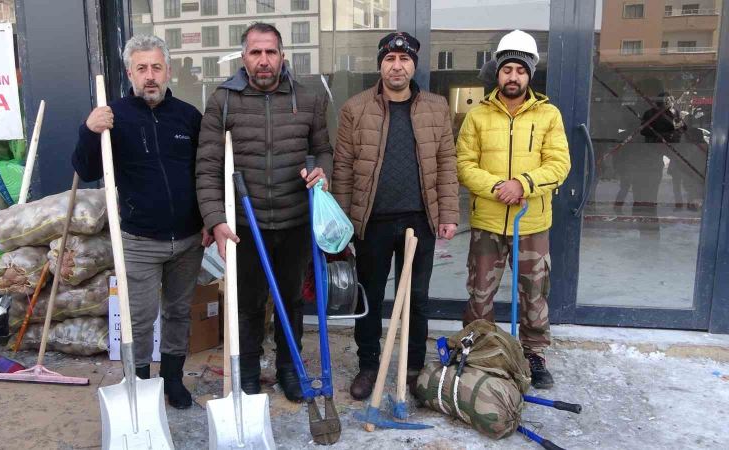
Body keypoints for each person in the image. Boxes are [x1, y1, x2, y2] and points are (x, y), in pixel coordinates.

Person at [195, 22, 332, 402]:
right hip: (244, 224)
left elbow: (324, 151)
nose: (264, 60)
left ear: (282, 56)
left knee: (291, 301)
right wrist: (216, 220)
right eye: (256, 52)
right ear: (244, 57)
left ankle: (289, 369)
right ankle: (250, 372)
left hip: (294, 220)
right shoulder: (222, 101)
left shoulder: (307, 98)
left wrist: (323, 172)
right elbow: (207, 166)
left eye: (271, 52)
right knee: (248, 304)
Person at [72, 35, 209, 409]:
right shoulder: (114, 117)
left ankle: (173, 380)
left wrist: (209, 220)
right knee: (141, 319)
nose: (150, 76)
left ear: (168, 70)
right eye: (142, 68)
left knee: (180, 312)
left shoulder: (187, 117)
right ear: (130, 72)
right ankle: (141, 384)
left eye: (157, 67)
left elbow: (205, 174)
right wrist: (89, 129)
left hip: (187, 239)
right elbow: (85, 169)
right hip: (139, 240)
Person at [332, 31, 459, 400]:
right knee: (369, 295)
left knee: (417, 298)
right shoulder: (355, 109)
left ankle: (413, 368)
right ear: (380, 65)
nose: (397, 66)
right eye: (390, 59)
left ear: (414, 65)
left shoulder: (436, 107)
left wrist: (448, 212)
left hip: (421, 220)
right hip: (373, 221)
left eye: (404, 60)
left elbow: (446, 163)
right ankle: (369, 365)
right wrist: (342, 225)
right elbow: (343, 169)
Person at [456, 29, 571, 389]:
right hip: (487, 222)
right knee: (480, 293)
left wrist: (522, 184)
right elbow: (463, 163)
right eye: (507, 69)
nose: (513, 76)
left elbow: (559, 164)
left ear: (529, 74)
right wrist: (495, 188)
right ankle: (479, 352)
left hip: (532, 223)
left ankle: (533, 354)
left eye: (520, 70)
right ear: (498, 72)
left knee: (534, 293)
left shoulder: (548, 115)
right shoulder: (478, 116)